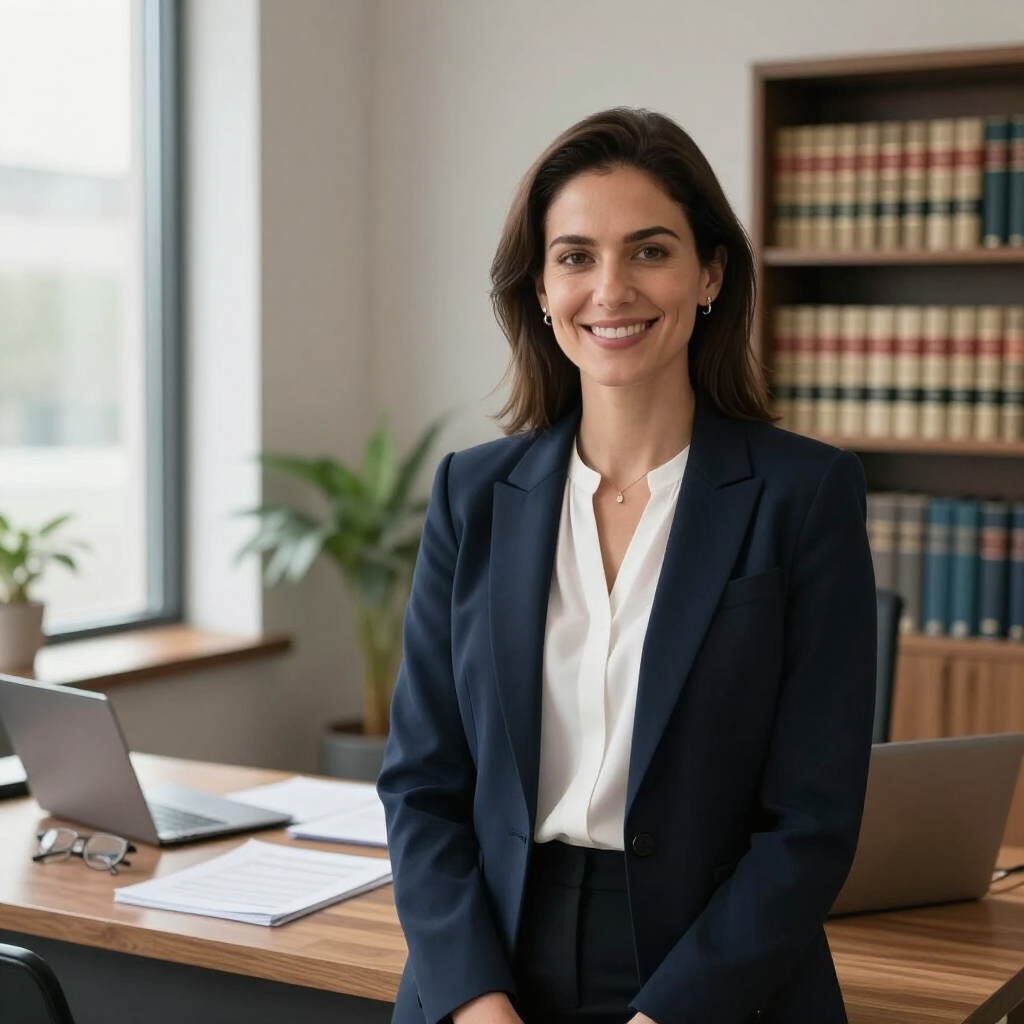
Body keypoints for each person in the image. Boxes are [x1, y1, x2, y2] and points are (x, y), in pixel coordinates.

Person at [377, 107, 876, 1024]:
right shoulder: (472, 495)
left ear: (710, 273)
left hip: (716, 981)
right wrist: (476, 1004)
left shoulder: (806, 496)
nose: (611, 289)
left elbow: (811, 823)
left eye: (650, 251)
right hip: (488, 966)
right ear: (538, 287)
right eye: (575, 256)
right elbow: (422, 783)